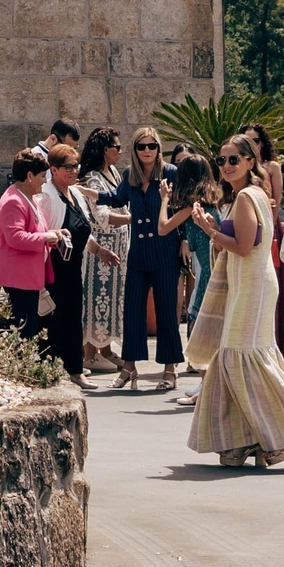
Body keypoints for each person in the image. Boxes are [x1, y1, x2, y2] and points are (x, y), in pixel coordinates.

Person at [185, 133, 284, 467]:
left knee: (240, 356)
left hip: (253, 285)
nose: (227, 166)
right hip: (250, 282)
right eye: (221, 160)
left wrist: (209, 230)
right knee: (239, 357)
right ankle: (246, 439)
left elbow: (243, 246)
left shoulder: (248, 196)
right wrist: (213, 227)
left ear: (251, 161)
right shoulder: (251, 195)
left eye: (234, 159)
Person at [113, 127, 184, 392]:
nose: (147, 151)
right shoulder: (129, 175)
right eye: (141, 146)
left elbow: (183, 205)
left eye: (152, 146)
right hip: (139, 251)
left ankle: (169, 368)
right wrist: (87, 194)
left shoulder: (170, 173)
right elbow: (117, 198)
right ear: (134, 149)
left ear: (158, 148)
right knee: (132, 309)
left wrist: (185, 240)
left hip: (165, 249)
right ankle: (129, 366)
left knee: (167, 310)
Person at [165, 151, 217, 406]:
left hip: (208, 272)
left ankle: (207, 387)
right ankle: (207, 386)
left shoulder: (191, 206)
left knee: (200, 332)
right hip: (215, 268)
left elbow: (163, 227)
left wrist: (163, 200)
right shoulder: (215, 200)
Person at [78, 128, 129, 380]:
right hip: (101, 247)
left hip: (119, 246)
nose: (120, 151)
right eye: (116, 147)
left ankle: (106, 348)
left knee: (111, 300)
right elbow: (102, 216)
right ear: (104, 150)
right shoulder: (92, 178)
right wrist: (133, 219)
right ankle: (89, 352)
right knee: (97, 297)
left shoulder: (114, 172)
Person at [0, 152, 54, 349]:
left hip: (28, 276)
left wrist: (53, 234)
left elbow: (36, 230)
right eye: (42, 176)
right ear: (30, 176)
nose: (45, 182)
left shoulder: (25, 197)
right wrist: (46, 237)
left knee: (30, 328)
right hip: (19, 278)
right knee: (24, 330)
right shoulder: (13, 201)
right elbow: (16, 238)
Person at [42, 143, 91, 379]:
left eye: (76, 166)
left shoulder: (77, 194)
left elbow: (84, 229)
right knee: (57, 320)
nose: (73, 171)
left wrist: (100, 250)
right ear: (53, 169)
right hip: (54, 268)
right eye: (68, 167)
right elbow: (43, 230)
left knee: (74, 318)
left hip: (74, 268)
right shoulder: (47, 196)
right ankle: (56, 371)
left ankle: (75, 370)